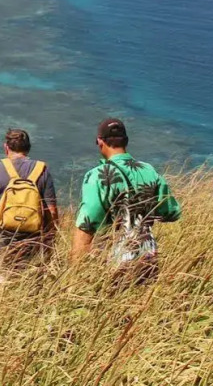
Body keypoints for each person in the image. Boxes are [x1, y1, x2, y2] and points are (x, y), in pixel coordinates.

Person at [70, 118, 181, 280]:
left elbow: (87, 224)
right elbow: (172, 212)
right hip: (148, 258)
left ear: (100, 142)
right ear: (126, 141)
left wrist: (75, 275)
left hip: (114, 262)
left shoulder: (97, 176)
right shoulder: (149, 170)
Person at [0, 128, 59, 275]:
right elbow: (52, 211)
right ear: (28, 148)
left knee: (4, 280)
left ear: (6, 148)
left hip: (1, 240)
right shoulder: (42, 170)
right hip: (33, 239)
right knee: (31, 282)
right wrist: (49, 242)